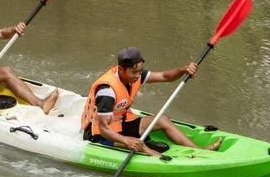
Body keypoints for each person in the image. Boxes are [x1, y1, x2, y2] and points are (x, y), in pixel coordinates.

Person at [80, 47, 223, 156]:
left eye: (140, 71)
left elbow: (165, 76)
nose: (138, 76)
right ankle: (155, 157)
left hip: (121, 122)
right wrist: (127, 141)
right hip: (98, 134)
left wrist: (184, 70)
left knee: (163, 119)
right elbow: (104, 129)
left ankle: (200, 152)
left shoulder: (136, 74)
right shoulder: (106, 91)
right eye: (133, 72)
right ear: (121, 69)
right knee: (141, 146)